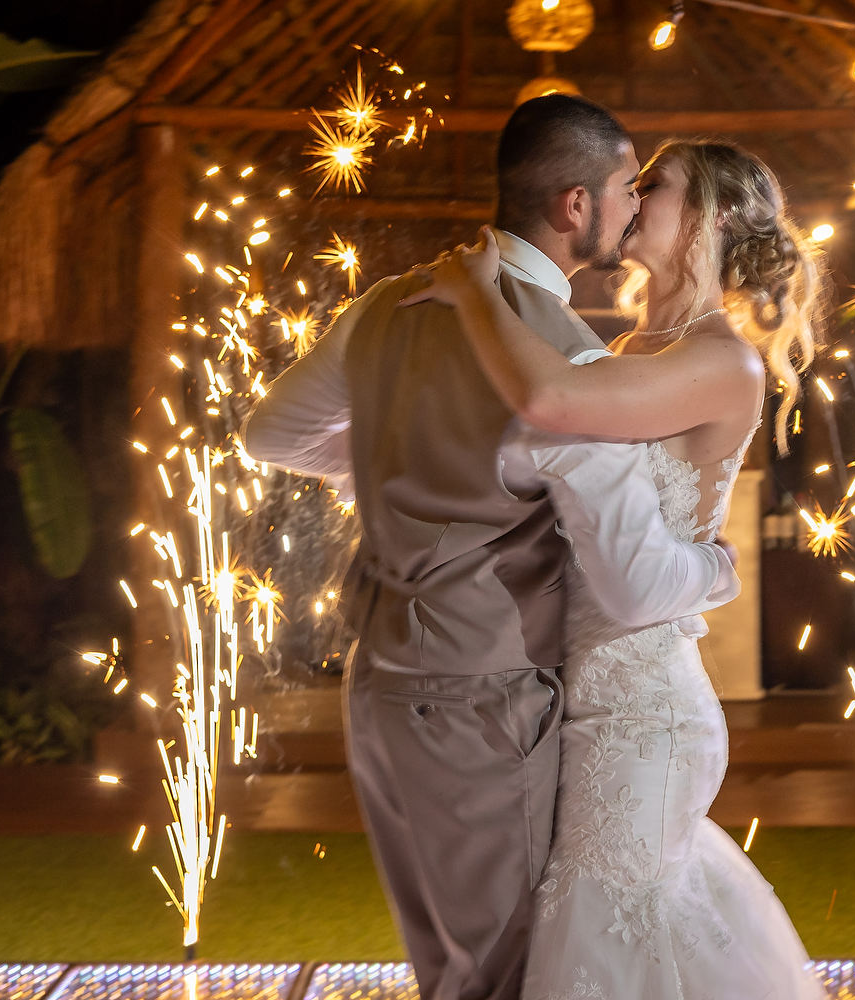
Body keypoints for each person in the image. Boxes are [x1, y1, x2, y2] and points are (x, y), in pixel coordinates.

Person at [239, 97, 742, 1000]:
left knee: (443, 971)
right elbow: (631, 580)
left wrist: (385, 469)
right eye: (627, 186)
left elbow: (268, 435)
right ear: (575, 206)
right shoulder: (572, 365)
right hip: (482, 700)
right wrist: (718, 567)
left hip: (377, 694)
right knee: (502, 978)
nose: (633, 204)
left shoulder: (386, 305)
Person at [400, 138, 828, 1000]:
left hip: (643, 710)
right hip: (578, 692)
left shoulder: (722, 358)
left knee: (597, 932)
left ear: (702, 218)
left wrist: (477, 294)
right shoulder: (632, 350)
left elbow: (551, 402)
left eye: (651, 186)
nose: (627, 198)